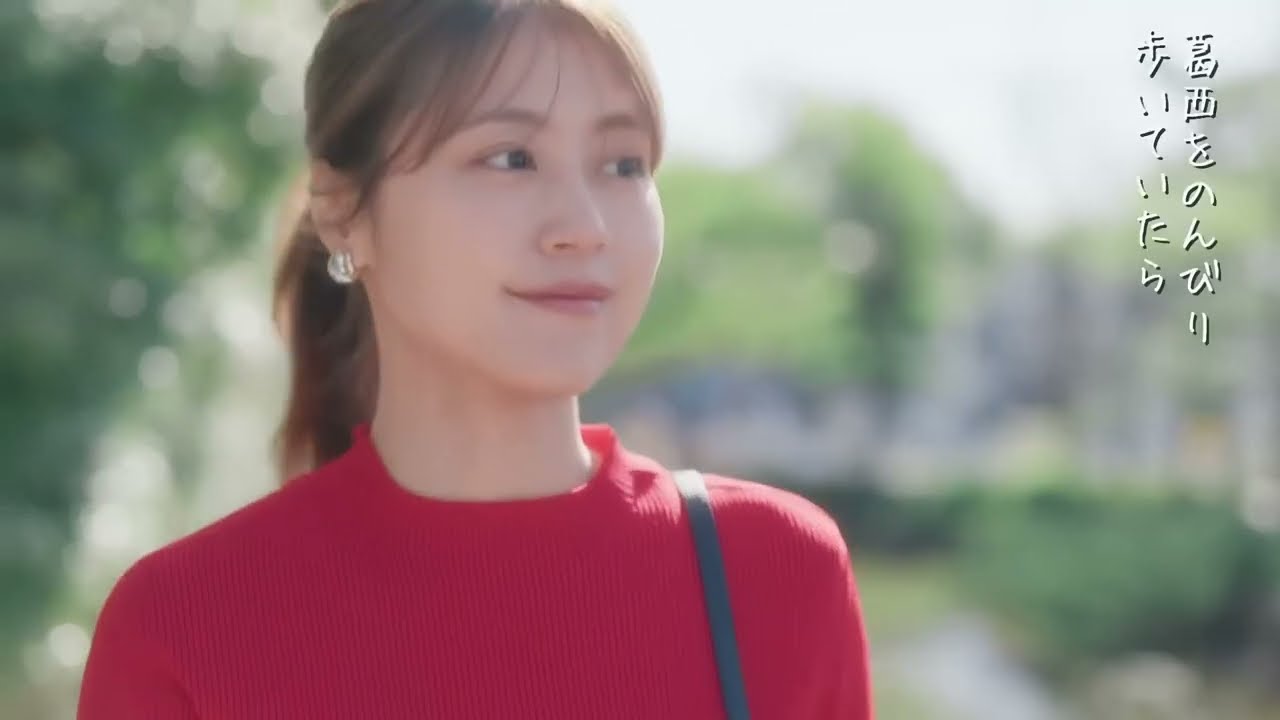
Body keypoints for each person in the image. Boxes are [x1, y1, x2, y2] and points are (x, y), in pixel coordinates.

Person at [77, 0, 874, 717]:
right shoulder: (184, 629)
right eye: (510, 158)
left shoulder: (775, 573)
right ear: (343, 212)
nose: (584, 227)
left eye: (623, 163)